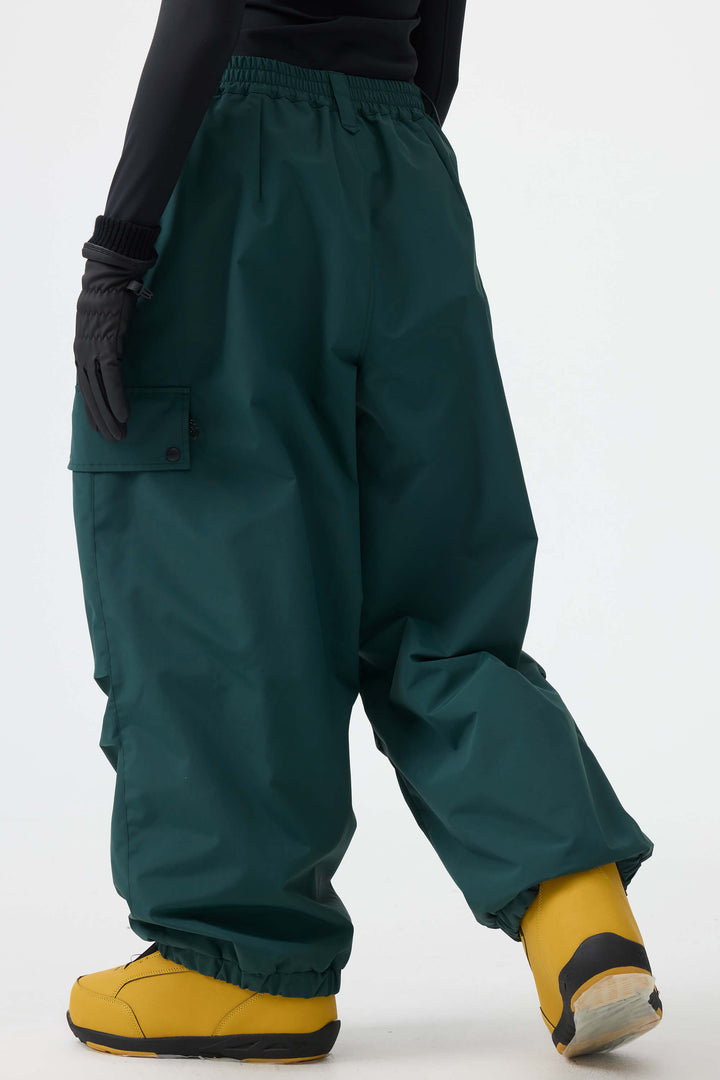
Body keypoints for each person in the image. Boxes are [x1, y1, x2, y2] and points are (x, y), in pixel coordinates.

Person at [66, 0, 663, 1064]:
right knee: (437, 593)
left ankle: (240, 965)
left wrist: (119, 250)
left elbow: (209, 8)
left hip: (245, 170)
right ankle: (579, 910)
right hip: (405, 171)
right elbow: (440, 43)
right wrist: (375, 170)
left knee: (213, 572)